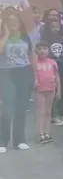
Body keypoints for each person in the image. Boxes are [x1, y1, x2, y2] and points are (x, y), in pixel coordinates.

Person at [0, 10, 35, 152]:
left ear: (20, 22)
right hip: (6, 73)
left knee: (21, 108)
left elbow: (31, 54)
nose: (13, 22)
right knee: (7, 108)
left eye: (15, 20)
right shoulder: (2, 36)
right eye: (10, 20)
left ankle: (19, 140)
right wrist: (6, 34)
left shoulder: (25, 37)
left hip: (24, 72)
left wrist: (36, 75)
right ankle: (2, 141)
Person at [40, 18, 63, 126]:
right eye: (52, 27)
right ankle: (52, 114)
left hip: (62, 67)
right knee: (51, 91)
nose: (55, 29)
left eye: (57, 27)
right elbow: (43, 52)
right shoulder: (45, 39)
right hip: (50, 68)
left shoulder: (62, 39)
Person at [33, 41, 60, 144]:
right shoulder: (35, 62)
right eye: (40, 49)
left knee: (48, 112)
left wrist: (59, 90)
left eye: (44, 48)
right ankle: (40, 133)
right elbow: (33, 74)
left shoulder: (53, 62)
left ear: (49, 51)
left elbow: (57, 77)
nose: (42, 50)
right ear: (36, 51)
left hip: (51, 89)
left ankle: (47, 132)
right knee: (41, 112)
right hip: (39, 90)